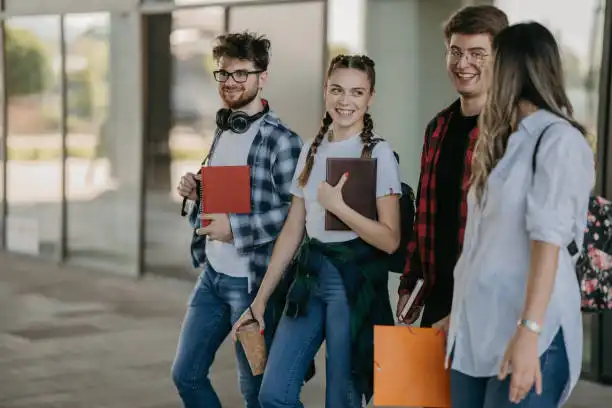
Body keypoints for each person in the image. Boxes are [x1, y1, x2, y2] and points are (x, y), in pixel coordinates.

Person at [231, 54, 402, 408]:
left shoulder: (378, 153)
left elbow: (390, 239)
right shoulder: (311, 148)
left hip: (350, 285)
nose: (345, 101)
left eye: (357, 92)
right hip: (308, 279)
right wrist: (260, 300)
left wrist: (338, 207)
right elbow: (293, 230)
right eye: (337, 90)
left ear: (370, 98)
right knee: (274, 394)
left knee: (342, 398)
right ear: (326, 91)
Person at [447, 22, 595, 408]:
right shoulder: (508, 142)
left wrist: (529, 332)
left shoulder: (559, 140)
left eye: (491, 60)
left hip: (530, 334)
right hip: (478, 331)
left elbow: (548, 242)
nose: (482, 71)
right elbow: (486, 246)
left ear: (512, 68)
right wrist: (459, 312)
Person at [172, 32, 303, 408]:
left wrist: (236, 229)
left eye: (241, 73)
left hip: (252, 284)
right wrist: (198, 194)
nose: (230, 82)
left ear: (262, 77)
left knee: (258, 394)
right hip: (212, 276)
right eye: (224, 73)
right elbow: (228, 198)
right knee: (186, 375)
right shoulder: (224, 130)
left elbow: (294, 217)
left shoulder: (283, 141)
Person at [397, 5, 509, 329]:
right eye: (455, 52)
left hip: (487, 306)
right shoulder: (438, 127)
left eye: (477, 54)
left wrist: (462, 313)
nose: (463, 64)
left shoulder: (510, 132)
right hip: (437, 299)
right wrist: (411, 286)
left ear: (500, 59)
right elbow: (425, 218)